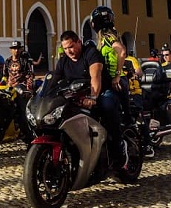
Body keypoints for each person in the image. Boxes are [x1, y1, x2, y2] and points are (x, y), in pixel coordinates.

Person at [53, 30, 127, 168]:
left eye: (71, 46)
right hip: (77, 95)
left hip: (101, 91)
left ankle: (118, 148)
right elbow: (54, 78)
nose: (68, 51)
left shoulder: (91, 53)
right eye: (65, 48)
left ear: (79, 42)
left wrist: (93, 97)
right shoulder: (63, 61)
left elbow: (96, 75)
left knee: (107, 106)